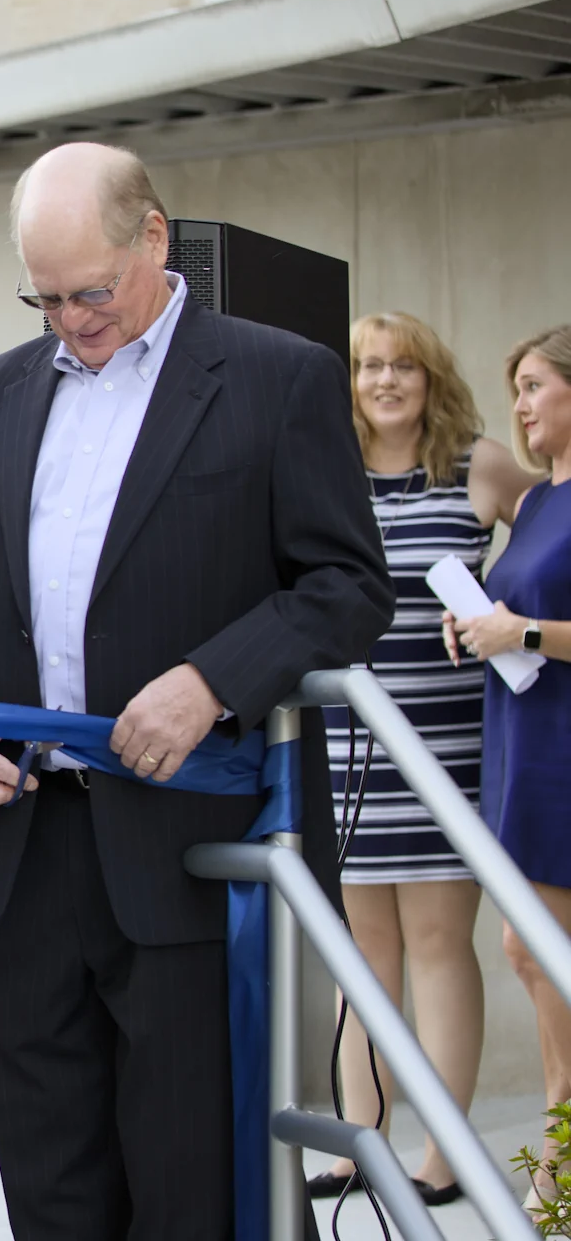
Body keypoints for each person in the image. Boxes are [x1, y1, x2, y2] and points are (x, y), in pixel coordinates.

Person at [0, 142, 391, 1237]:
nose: (72, 319)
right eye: (45, 297)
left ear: (156, 239)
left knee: (190, 1187)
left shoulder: (279, 373)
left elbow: (350, 586)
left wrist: (215, 680)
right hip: (26, 858)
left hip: (189, 854)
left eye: (93, 291)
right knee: (52, 1189)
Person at [310, 312, 533, 1206]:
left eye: (403, 365)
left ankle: (442, 1158)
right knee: (360, 960)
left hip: (447, 748)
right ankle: (359, 1143)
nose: (385, 381)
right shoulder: (325, 471)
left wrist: (516, 608)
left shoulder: (477, 466)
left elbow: (554, 535)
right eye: (368, 367)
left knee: (441, 948)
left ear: (431, 376)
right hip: (349, 744)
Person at [447, 324, 571, 1214]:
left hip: (564, 748)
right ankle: (563, 1151)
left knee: (541, 950)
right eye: (516, 388)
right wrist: (483, 623)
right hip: (521, 739)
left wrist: (521, 633)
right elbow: (522, 608)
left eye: (533, 386)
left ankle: (561, 1154)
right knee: (533, 954)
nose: (520, 406)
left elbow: (540, 626)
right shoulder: (535, 505)